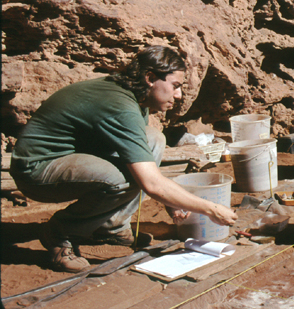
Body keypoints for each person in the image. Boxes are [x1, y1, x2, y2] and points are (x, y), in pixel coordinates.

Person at [10, 46, 238, 272]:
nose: (178, 95)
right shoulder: (121, 106)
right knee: (121, 180)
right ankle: (60, 233)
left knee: (154, 139)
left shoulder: (134, 98)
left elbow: (138, 156)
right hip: (37, 169)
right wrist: (211, 209)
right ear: (150, 77)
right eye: (175, 86)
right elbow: (151, 183)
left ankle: (112, 226)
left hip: (71, 157)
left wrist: (172, 201)